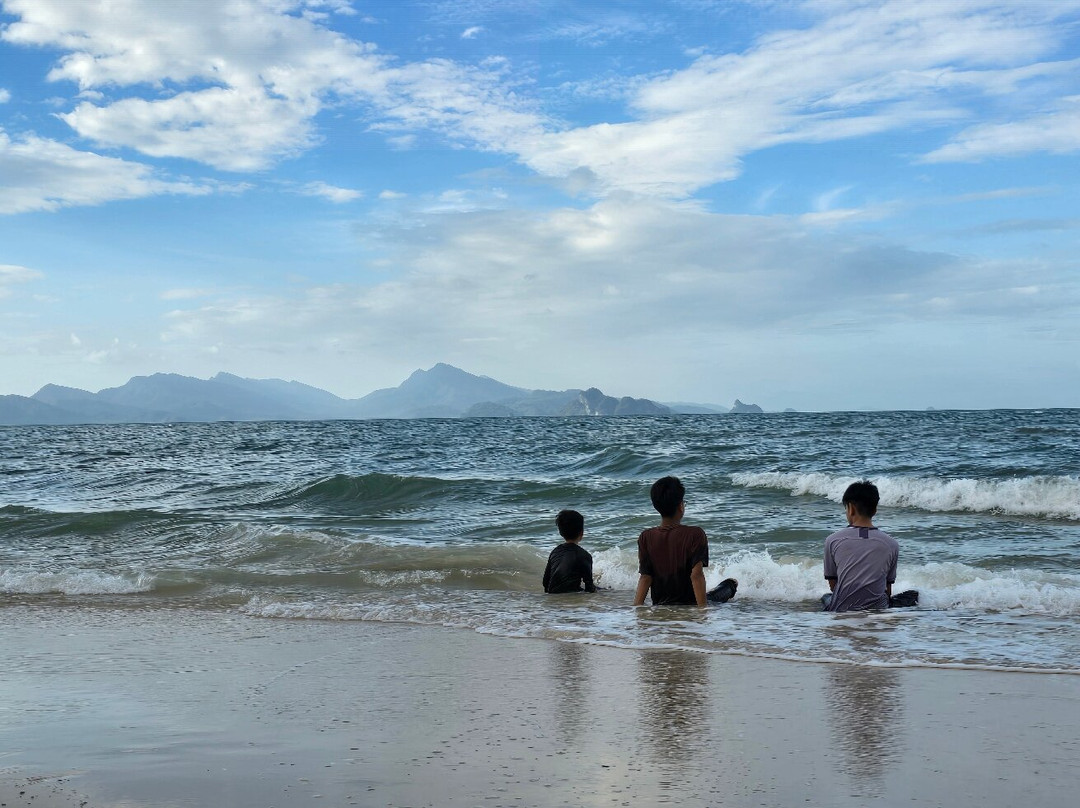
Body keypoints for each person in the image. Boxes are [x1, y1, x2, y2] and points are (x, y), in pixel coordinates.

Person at [633, 476, 737, 607]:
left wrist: (636, 609)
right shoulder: (695, 534)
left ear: (656, 506)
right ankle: (731, 584)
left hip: (661, 605)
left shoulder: (645, 537)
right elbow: (696, 576)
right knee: (731, 584)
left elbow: (645, 577)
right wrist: (702, 610)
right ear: (680, 506)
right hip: (691, 603)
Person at [822, 480, 918, 611]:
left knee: (826, 597)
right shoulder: (891, 544)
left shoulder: (832, 540)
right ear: (875, 509)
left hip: (841, 608)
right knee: (913, 594)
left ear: (851, 508)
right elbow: (887, 589)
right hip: (877, 608)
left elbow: (833, 585)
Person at [542, 509, 597, 594]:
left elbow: (545, 582)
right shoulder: (584, 555)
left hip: (553, 595)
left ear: (560, 533)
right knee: (604, 590)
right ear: (581, 533)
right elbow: (589, 587)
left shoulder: (555, 552)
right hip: (571, 596)